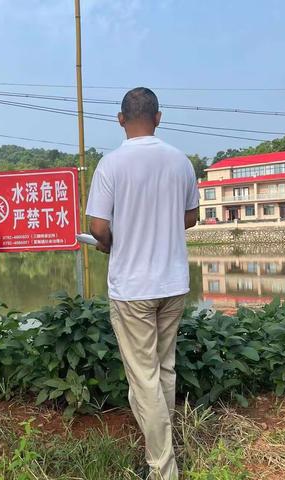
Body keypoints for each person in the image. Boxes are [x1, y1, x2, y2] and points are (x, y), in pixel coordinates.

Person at [86, 87, 199, 479]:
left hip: (133, 287)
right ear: (158, 117)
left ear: (120, 119)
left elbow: (99, 227)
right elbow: (190, 218)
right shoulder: (180, 161)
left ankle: (163, 467)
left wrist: (112, 241)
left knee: (144, 377)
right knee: (163, 370)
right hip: (173, 283)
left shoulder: (111, 165)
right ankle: (161, 451)